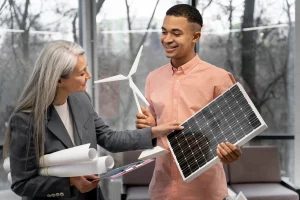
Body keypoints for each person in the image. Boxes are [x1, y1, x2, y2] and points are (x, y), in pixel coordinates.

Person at [3, 40, 184, 200]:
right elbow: (22, 184)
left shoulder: (81, 100)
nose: (89, 76)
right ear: (58, 81)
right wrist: (70, 183)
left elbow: (108, 138)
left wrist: (153, 132)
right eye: (82, 73)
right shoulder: (26, 120)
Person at [136, 4, 242, 200]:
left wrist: (233, 151)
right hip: (162, 190)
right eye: (164, 32)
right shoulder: (153, 78)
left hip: (205, 192)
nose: (167, 39)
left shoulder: (219, 78)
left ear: (195, 37)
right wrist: (148, 128)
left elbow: (235, 131)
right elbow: (153, 131)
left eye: (176, 33)